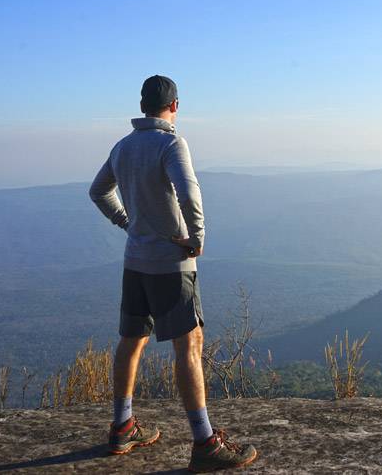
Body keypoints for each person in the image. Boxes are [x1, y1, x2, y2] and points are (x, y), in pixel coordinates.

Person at [89, 74, 258, 472]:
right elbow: (189, 193)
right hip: (170, 263)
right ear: (175, 106)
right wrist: (195, 237)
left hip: (135, 262)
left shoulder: (124, 146)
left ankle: (122, 426)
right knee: (190, 345)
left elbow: (98, 190)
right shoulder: (171, 143)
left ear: (143, 104)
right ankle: (204, 442)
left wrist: (125, 222)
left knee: (132, 341)